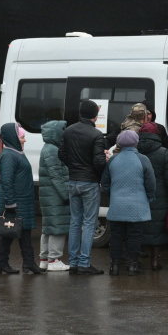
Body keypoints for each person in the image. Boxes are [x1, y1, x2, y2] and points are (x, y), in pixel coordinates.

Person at [59, 99, 108, 275]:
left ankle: (73, 263)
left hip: (73, 181)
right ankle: (84, 263)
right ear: (96, 115)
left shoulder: (68, 131)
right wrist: (105, 158)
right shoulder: (96, 135)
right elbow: (98, 162)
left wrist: (73, 166)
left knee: (74, 222)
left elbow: (61, 154)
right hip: (89, 183)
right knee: (89, 223)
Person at [101, 130, 156, 276]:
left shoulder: (113, 160)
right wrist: (149, 197)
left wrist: (111, 194)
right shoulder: (143, 159)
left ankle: (115, 266)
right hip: (137, 205)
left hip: (117, 204)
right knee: (134, 235)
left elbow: (105, 182)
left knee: (116, 235)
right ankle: (133, 266)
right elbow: (151, 182)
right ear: (136, 142)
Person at [0, 123, 45, 275]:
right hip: (15, 202)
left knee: (22, 233)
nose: (24, 140)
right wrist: (10, 204)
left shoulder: (15, 152)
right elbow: (7, 181)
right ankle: (4, 263)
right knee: (9, 233)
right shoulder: (9, 155)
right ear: (13, 137)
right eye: (22, 137)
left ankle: (26, 263)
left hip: (22, 201)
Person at [137, 122, 168, 269]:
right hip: (159, 195)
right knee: (157, 228)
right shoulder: (163, 153)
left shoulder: (134, 150)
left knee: (138, 227)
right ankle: (155, 261)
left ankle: (135, 259)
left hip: (139, 194)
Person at [38, 120, 71, 272]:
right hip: (55, 195)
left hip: (49, 194)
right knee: (58, 227)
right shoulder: (52, 150)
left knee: (48, 228)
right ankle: (54, 260)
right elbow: (56, 175)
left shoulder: (48, 147)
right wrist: (66, 194)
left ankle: (44, 260)